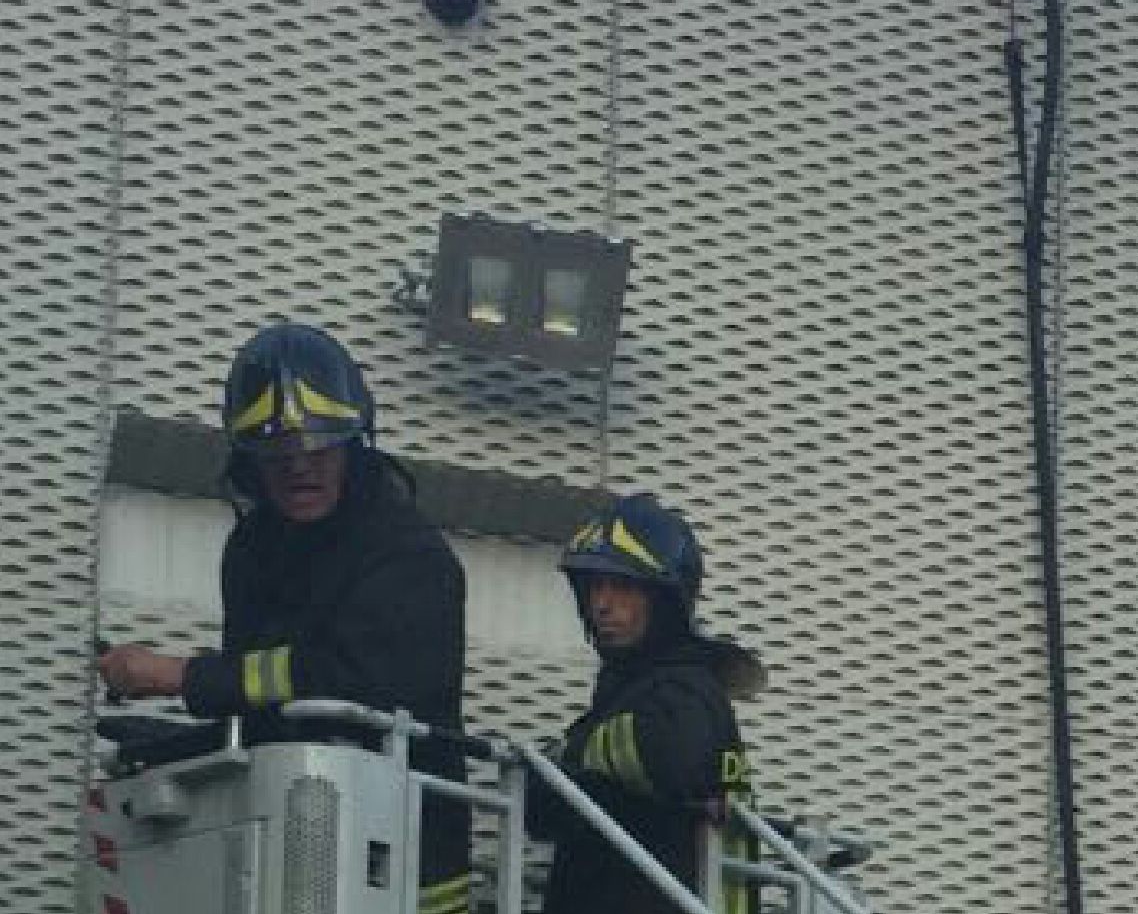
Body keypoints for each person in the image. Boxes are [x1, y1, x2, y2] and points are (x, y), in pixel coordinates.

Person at [97, 322, 473, 914]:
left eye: (319, 446)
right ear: (249, 460)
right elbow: (262, 697)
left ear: (354, 444)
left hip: (406, 871)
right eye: (277, 453)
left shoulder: (407, 554)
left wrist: (180, 675)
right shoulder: (252, 551)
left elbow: (352, 678)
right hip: (283, 850)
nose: (301, 467)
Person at [531, 494, 765, 914]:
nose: (600, 604)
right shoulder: (633, 690)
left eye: (621, 586)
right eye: (593, 587)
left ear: (665, 600)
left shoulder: (687, 690)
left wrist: (570, 758)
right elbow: (540, 814)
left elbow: (672, 757)